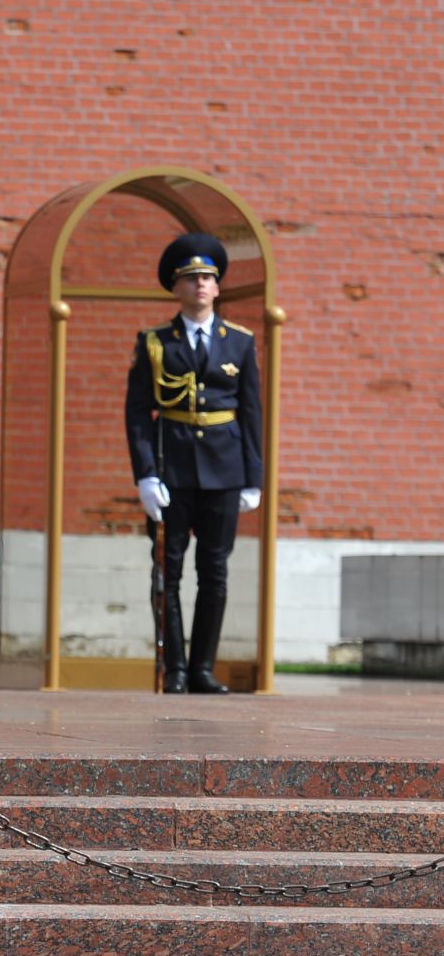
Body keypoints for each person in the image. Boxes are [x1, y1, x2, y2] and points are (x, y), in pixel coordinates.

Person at [125, 232, 263, 694]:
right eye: (192, 278)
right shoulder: (154, 342)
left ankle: (203, 668)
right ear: (176, 287)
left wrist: (253, 477)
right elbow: (138, 415)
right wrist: (145, 474)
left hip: (224, 473)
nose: (201, 284)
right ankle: (176, 670)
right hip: (173, 471)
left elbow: (251, 413)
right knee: (169, 572)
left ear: (218, 287)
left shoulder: (239, 343)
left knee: (215, 572)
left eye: (208, 277)